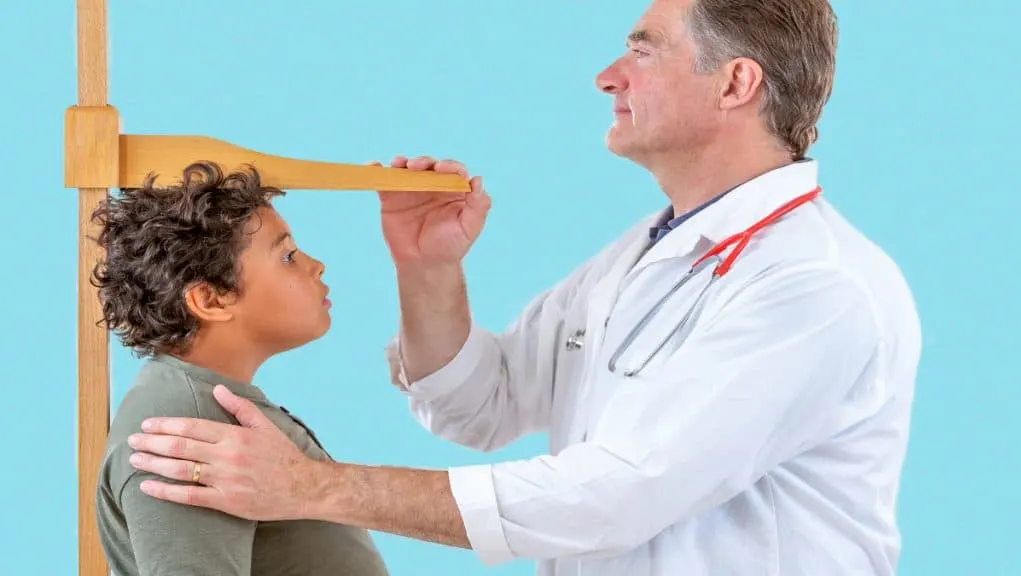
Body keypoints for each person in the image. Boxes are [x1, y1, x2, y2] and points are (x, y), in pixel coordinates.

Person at [123, 0, 922, 574]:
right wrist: (428, 267)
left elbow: (618, 496)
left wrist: (315, 489)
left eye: (643, 50)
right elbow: (482, 405)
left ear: (736, 83)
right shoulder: (642, 256)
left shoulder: (815, 287)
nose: (608, 76)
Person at [91, 161, 390, 576]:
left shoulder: (203, 405)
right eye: (287, 255)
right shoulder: (180, 433)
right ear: (211, 300)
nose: (315, 265)